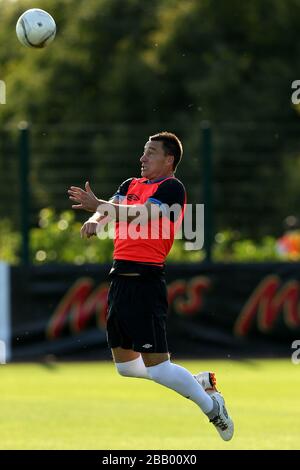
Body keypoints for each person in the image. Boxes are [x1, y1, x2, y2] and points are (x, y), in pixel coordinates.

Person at [68, 131, 234, 441]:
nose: (142, 158)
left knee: (159, 368)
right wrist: (96, 219)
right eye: (144, 152)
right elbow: (113, 208)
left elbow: (144, 215)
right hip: (119, 281)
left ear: (169, 160)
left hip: (145, 283)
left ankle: (213, 407)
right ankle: (197, 382)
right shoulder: (130, 185)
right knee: (126, 368)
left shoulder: (172, 188)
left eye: (151, 152)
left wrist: (100, 206)